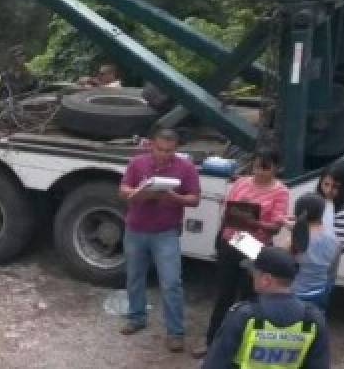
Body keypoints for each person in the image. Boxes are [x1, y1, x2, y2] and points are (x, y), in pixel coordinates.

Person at [195, 149, 289, 359]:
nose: (260, 172)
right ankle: (212, 343)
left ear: (276, 168)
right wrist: (221, 237)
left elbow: (275, 227)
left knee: (248, 298)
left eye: (265, 168)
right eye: (256, 167)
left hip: (254, 245)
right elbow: (227, 211)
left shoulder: (280, 191)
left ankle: (242, 348)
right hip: (232, 239)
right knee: (223, 296)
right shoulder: (241, 183)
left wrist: (254, 223)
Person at [116, 128, 199, 353]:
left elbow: (194, 199)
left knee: (171, 282)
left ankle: (175, 332)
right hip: (135, 229)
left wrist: (175, 197)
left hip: (166, 233)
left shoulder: (186, 167)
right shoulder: (137, 163)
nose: (164, 154)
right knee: (134, 276)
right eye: (160, 149)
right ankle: (136, 318)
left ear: (176, 148)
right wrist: (135, 193)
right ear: (151, 144)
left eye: (170, 151)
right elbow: (123, 189)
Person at [200, 246, 329, 369]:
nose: (252, 277)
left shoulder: (244, 315)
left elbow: (215, 363)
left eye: (255, 274)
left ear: (266, 279)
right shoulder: (313, 319)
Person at [282, 193, 340, 313]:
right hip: (319, 292)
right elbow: (331, 270)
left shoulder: (294, 241)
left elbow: (278, 262)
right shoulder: (333, 238)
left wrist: (240, 240)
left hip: (295, 293)